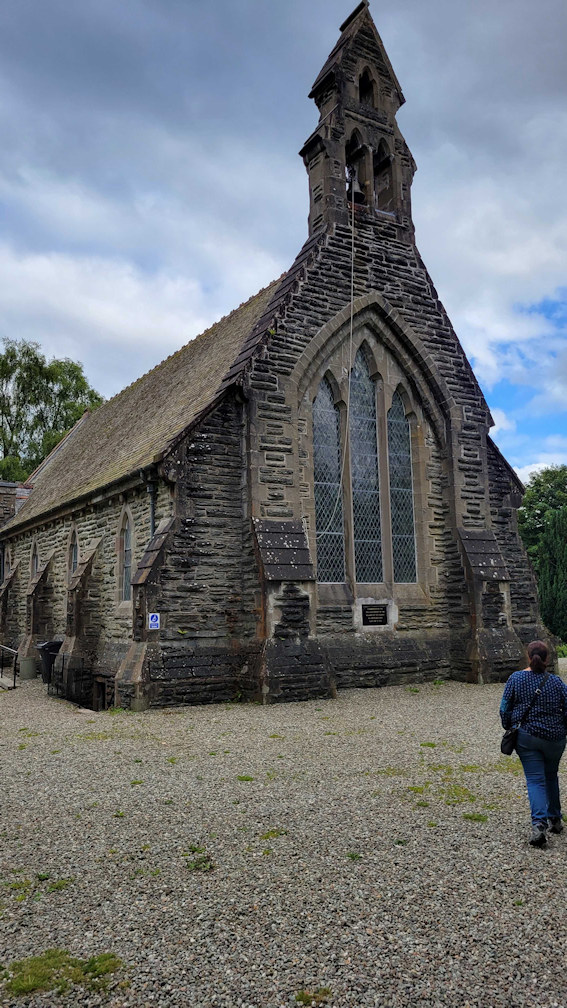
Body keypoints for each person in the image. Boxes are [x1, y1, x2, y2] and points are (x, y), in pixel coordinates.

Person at [500, 640, 567, 847]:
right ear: (547, 659)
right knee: (550, 776)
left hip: (527, 737)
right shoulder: (556, 682)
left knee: (535, 780)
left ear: (529, 657)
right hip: (555, 738)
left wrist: (509, 726)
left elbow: (504, 708)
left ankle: (539, 825)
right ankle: (555, 819)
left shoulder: (516, 678)